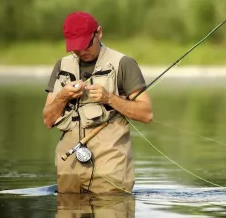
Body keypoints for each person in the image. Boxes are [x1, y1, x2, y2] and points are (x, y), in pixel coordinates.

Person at [43, 11, 153, 194]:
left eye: (86, 45)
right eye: (75, 48)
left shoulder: (124, 64)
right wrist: (62, 96)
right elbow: (48, 120)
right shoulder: (61, 66)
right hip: (68, 168)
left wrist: (109, 98)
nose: (81, 52)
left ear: (99, 33)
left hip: (111, 170)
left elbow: (146, 114)